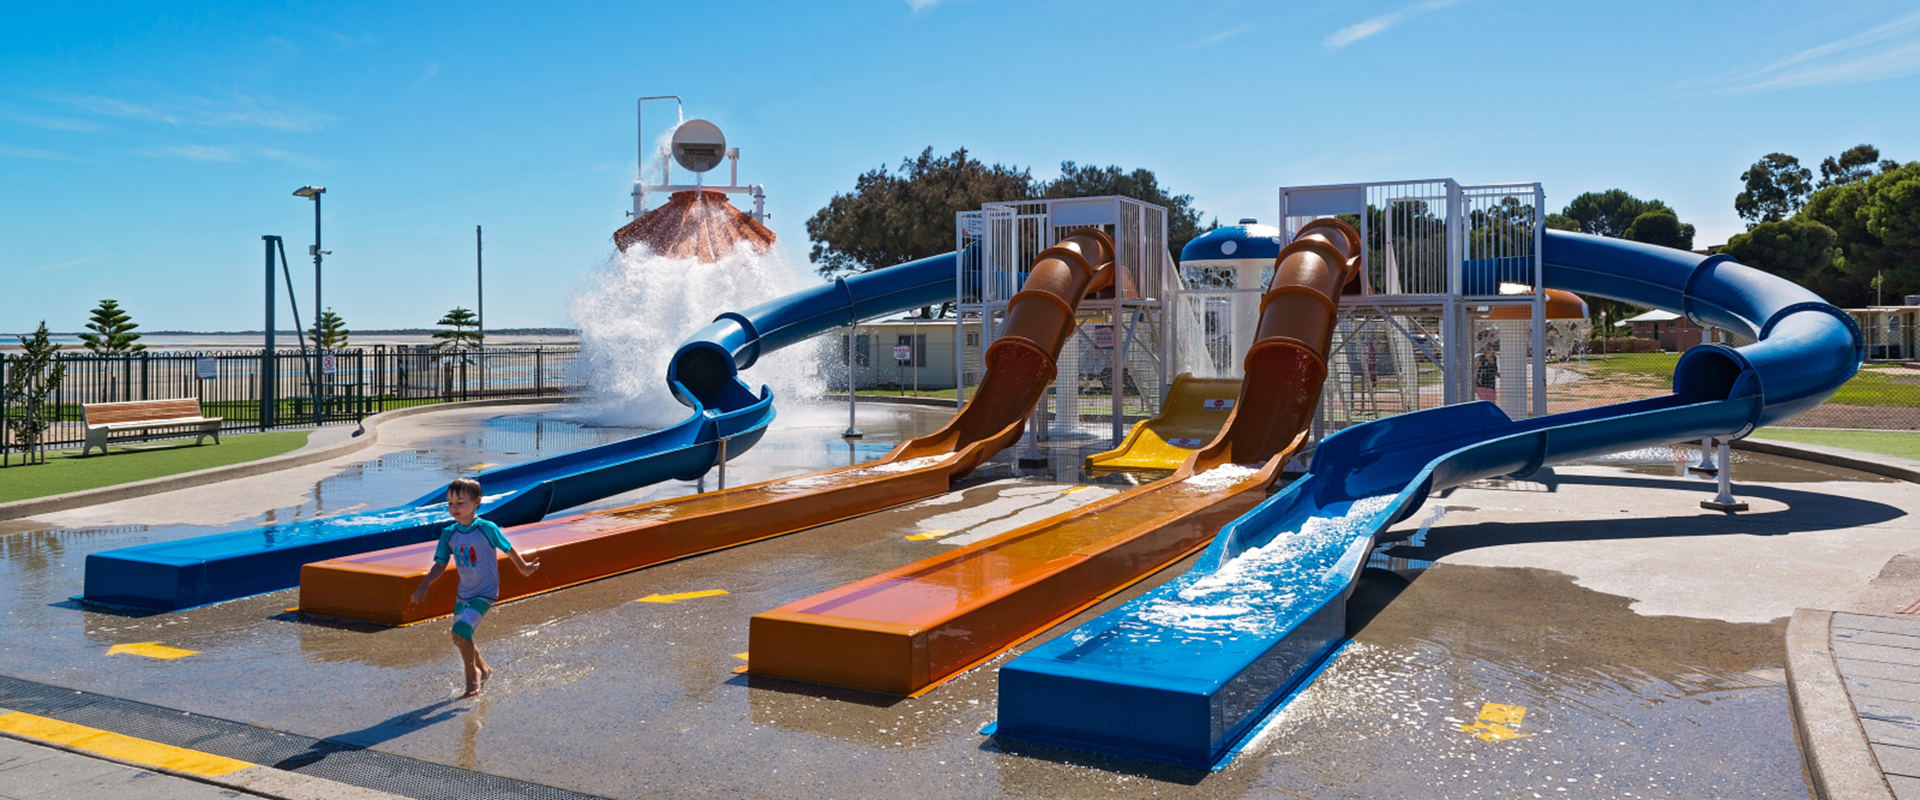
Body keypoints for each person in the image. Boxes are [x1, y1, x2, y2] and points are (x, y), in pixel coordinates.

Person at [410, 477, 539, 698]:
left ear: (477, 502)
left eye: (460, 503)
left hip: (485, 591)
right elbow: (440, 564)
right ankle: (485, 669)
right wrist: (424, 584)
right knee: (459, 638)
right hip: (464, 593)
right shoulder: (449, 534)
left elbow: (507, 548)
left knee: (461, 631)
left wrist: (524, 567)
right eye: (450, 504)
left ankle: (473, 677)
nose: (454, 508)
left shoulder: (487, 529)